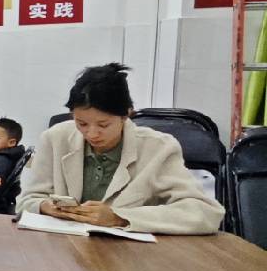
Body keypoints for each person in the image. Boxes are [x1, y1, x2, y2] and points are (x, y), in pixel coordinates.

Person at [17, 63, 225, 234]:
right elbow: (26, 200)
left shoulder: (158, 148)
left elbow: (204, 213)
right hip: (66, 253)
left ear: (126, 115)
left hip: (132, 259)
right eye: (81, 123)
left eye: (103, 125)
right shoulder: (55, 138)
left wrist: (120, 218)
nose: (91, 134)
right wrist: (44, 207)